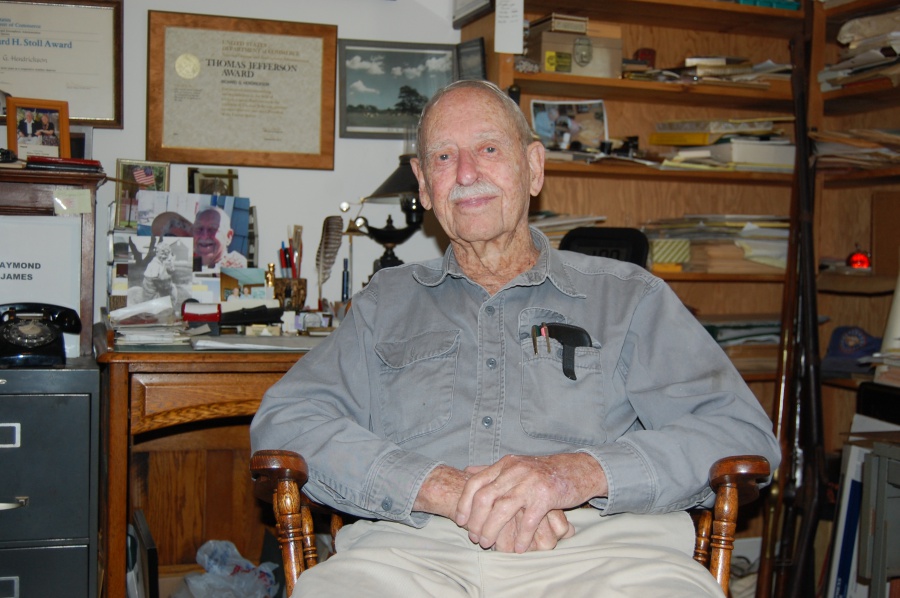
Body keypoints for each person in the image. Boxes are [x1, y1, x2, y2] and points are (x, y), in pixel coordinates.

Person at [250, 80, 781, 597]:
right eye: (442, 157)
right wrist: (440, 488)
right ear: (422, 185)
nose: (465, 173)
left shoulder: (631, 298)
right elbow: (287, 423)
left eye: (488, 148)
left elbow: (739, 432)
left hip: (603, 554)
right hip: (409, 556)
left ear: (533, 167)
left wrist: (574, 474)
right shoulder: (383, 303)